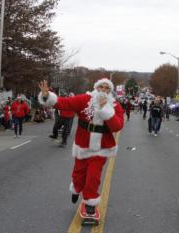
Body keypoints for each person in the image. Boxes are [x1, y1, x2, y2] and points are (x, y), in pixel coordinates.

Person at [38, 78, 124, 216]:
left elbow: (117, 126)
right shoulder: (84, 99)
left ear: (110, 91)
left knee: (93, 177)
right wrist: (47, 96)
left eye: (106, 88)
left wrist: (105, 110)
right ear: (96, 88)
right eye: (100, 87)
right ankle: (76, 189)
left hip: (101, 148)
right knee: (79, 175)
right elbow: (64, 103)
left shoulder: (114, 105)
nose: (103, 90)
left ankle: (89, 202)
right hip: (83, 146)